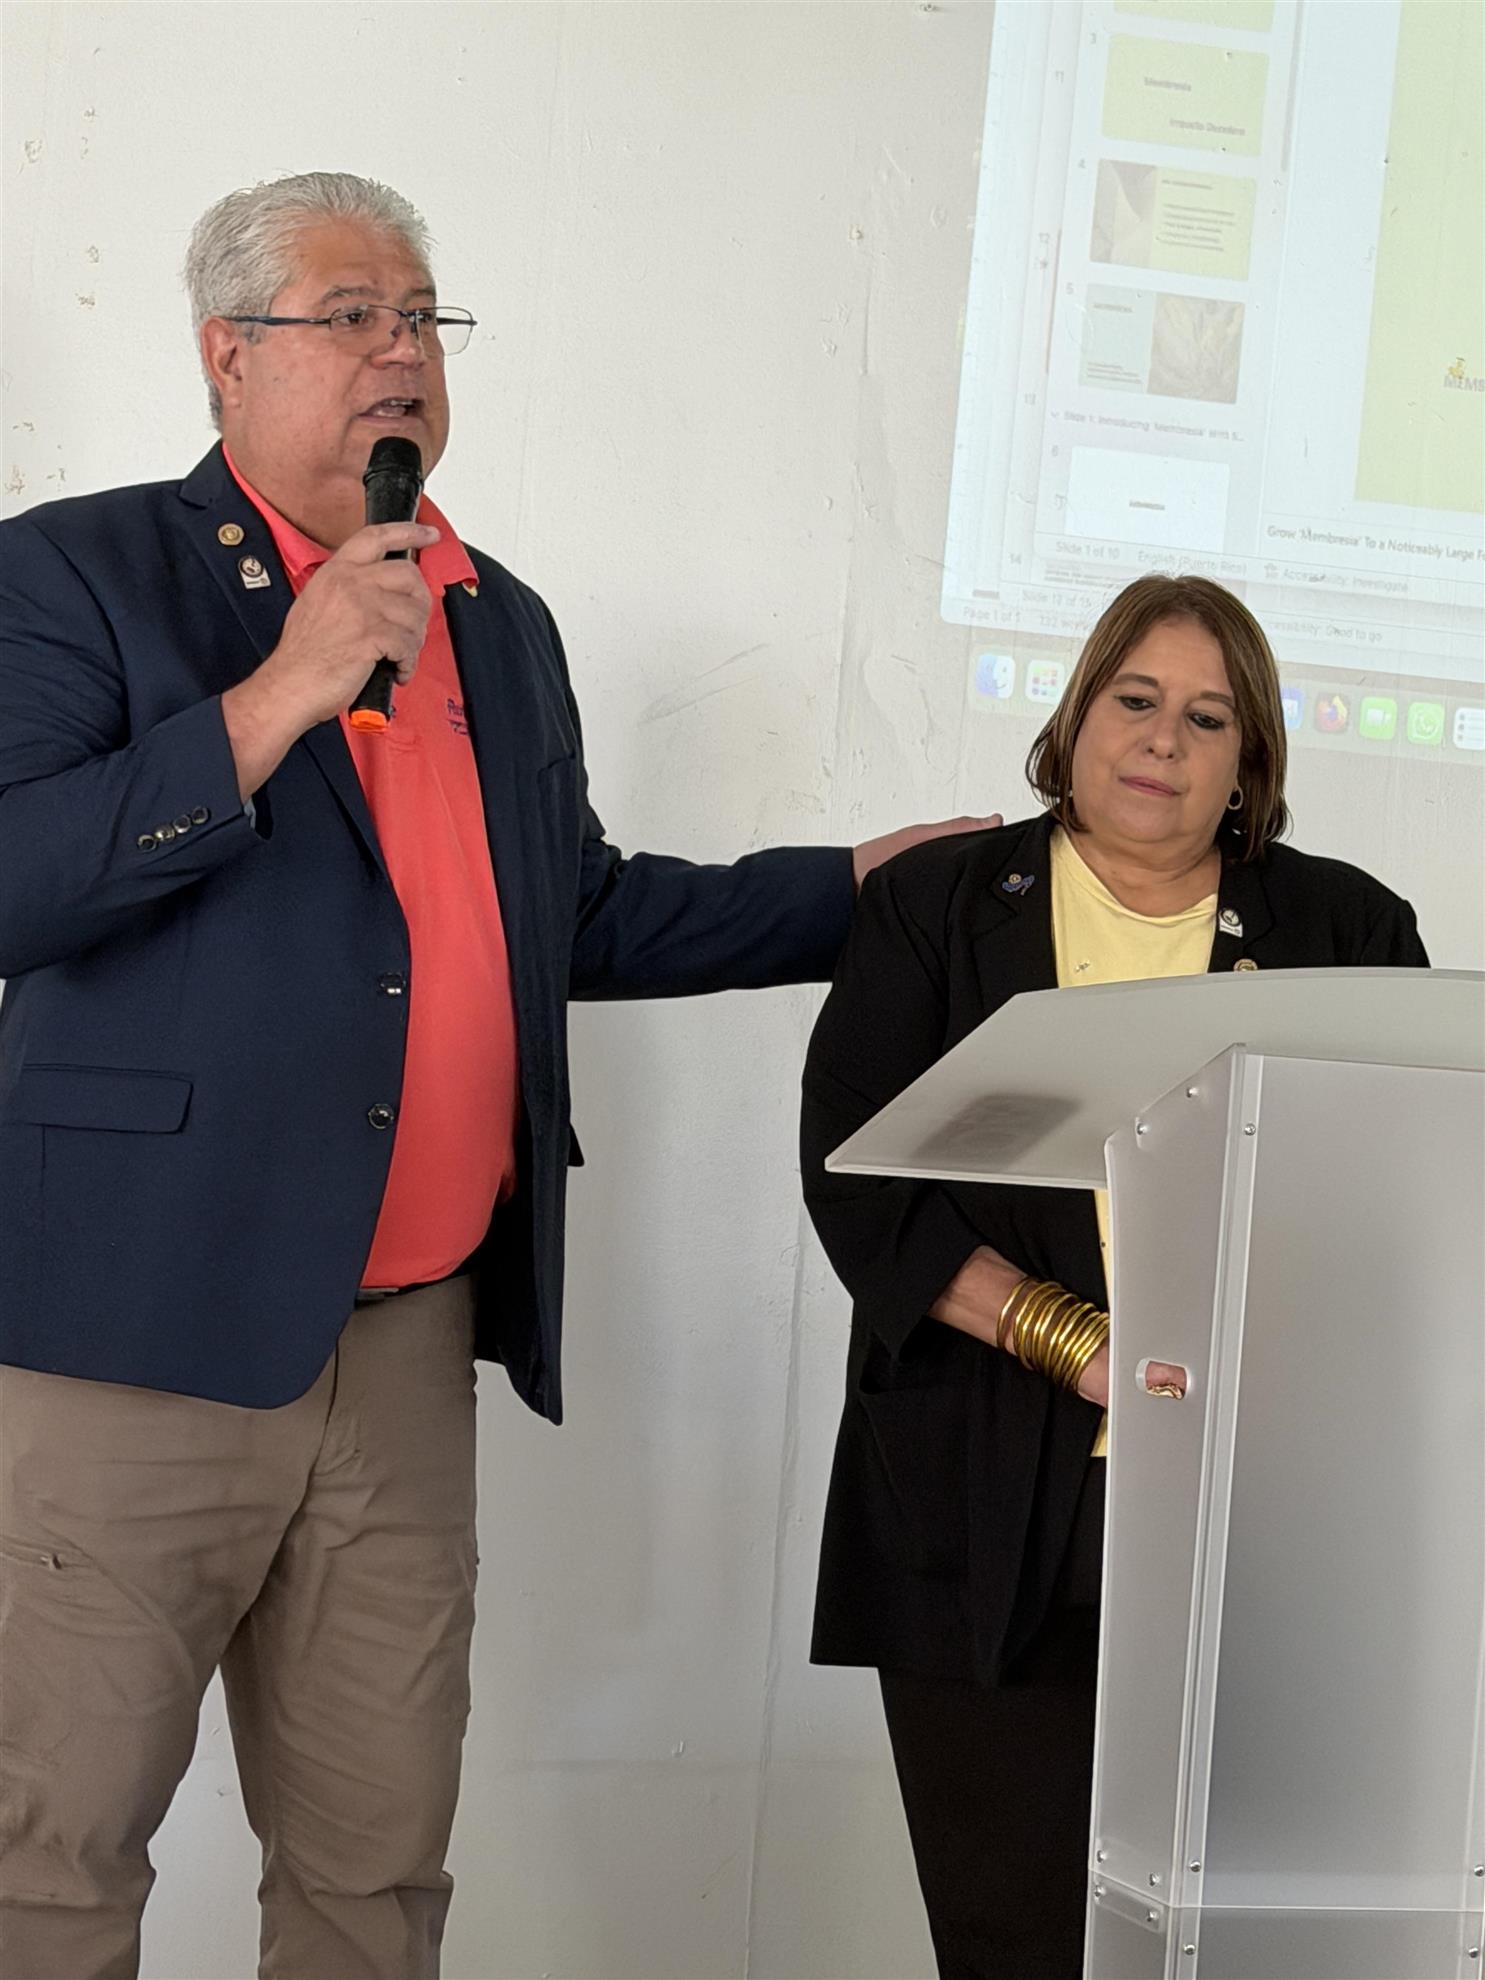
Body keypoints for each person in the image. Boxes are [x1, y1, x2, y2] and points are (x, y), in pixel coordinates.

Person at [0, 170, 994, 1980]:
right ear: (227, 356)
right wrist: (280, 693)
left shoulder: (496, 621)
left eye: (421, 317)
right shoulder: (75, 571)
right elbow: (17, 879)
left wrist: (852, 891)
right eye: (349, 315)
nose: (400, 351)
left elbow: (572, 911)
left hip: (404, 1345)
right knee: (47, 1863)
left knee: (376, 1870)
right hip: (133, 1332)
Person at [799, 575, 1429, 1979]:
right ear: (1077, 713)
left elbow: (1391, 1211)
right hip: (982, 1496)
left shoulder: (1347, 928)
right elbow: (858, 1179)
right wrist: (1073, 1342)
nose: (1162, 739)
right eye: (1135, 699)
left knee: (1244, 1942)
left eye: (1207, 718)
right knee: (1011, 1933)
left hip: (1253, 1518)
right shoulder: (933, 908)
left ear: (1248, 762)